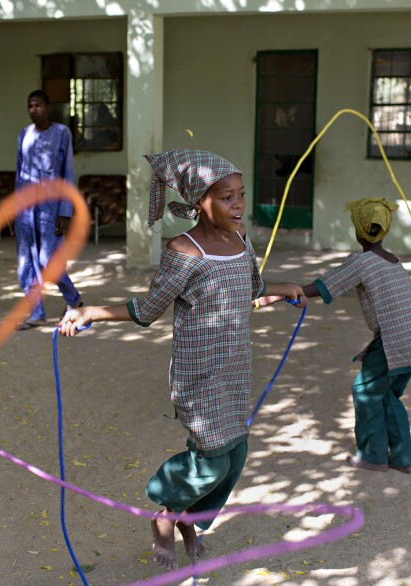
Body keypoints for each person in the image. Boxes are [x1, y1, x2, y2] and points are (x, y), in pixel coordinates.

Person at [58, 149, 306, 570]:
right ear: (198, 202)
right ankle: (165, 511)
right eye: (227, 197)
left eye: (241, 194)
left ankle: (187, 518)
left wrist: (285, 288)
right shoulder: (183, 250)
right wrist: (90, 311)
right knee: (212, 459)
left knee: (235, 456)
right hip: (200, 373)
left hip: (234, 369)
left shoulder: (241, 237)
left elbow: (252, 287)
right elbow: (149, 309)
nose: (238, 204)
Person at [263, 198, 411, 474]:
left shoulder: (362, 262)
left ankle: (373, 455)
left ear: (358, 231)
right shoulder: (393, 261)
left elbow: (325, 285)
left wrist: (282, 294)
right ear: (386, 229)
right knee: (388, 395)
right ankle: (403, 457)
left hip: (391, 343)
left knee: (365, 391)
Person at [14, 89, 82, 330]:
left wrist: (65, 211)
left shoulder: (61, 133)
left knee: (48, 260)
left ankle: (74, 299)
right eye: (30, 106)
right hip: (25, 210)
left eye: (38, 106)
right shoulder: (24, 135)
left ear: (48, 107)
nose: (34, 110)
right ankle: (36, 313)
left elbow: (68, 173)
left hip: (50, 209)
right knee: (25, 263)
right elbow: (19, 174)